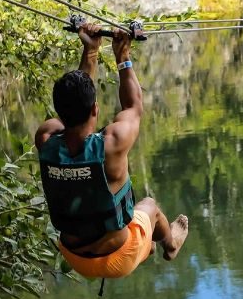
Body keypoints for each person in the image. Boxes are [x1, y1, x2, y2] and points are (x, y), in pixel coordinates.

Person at [35, 23, 188, 280]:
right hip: (120, 256)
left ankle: (146, 244)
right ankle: (171, 245)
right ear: (95, 109)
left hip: (75, 257)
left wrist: (91, 52)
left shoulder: (46, 138)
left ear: (60, 112)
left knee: (129, 224)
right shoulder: (112, 143)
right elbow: (134, 106)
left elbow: (76, 106)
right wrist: (123, 57)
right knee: (149, 206)